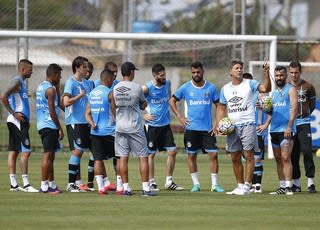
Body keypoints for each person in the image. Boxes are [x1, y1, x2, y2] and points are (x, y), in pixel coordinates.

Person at [216, 59, 271, 195]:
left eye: (241, 68)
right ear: (230, 72)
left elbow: (266, 88)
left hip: (248, 124)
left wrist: (266, 73)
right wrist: (219, 124)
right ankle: (240, 185)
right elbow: (221, 108)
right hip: (232, 127)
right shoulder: (225, 89)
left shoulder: (250, 83)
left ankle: (247, 186)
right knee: (234, 157)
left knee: (248, 155)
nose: (239, 70)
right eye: (236, 68)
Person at [170, 61, 224, 193]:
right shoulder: (185, 88)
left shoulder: (210, 88)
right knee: (191, 156)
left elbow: (219, 106)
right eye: (193, 72)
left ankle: (215, 185)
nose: (196, 74)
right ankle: (196, 184)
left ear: (203, 71)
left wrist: (217, 123)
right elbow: (172, 100)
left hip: (207, 129)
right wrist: (180, 117)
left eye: (198, 72)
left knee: (213, 155)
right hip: (191, 129)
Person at [112, 61, 157, 196]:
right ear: (131, 72)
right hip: (134, 127)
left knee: (122, 158)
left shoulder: (115, 88)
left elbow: (114, 105)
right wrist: (144, 104)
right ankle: (146, 189)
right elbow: (143, 105)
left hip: (120, 127)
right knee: (143, 157)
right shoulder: (137, 87)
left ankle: (126, 188)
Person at [142, 63, 184, 191]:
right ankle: (151, 182)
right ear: (155, 76)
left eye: (165, 74)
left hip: (165, 124)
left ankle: (169, 182)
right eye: (161, 75)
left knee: (172, 151)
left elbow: (168, 98)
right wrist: (143, 115)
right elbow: (136, 101)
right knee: (151, 154)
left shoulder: (168, 83)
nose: (164, 77)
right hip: (152, 126)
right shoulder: (147, 88)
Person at [0, 59, 39, 192]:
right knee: (26, 152)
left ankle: (14, 185)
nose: (32, 72)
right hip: (17, 120)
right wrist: (14, 113)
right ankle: (27, 185)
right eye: (30, 69)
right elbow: (3, 96)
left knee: (14, 151)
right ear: (23, 70)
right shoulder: (17, 81)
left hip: (16, 121)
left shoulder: (21, 83)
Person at [85, 69, 121, 195]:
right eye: (112, 80)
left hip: (95, 132)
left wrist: (92, 123)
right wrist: (120, 123)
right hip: (110, 131)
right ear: (108, 79)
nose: (113, 82)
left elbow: (87, 113)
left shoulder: (92, 93)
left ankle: (101, 187)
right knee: (120, 158)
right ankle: (120, 187)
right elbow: (114, 111)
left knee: (98, 159)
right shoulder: (110, 93)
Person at [63, 56, 92, 192]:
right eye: (85, 66)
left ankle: (83, 183)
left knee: (93, 151)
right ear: (77, 68)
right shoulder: (71, 82)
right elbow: (66, 102)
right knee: (77, 151)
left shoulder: (86, 83)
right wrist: (79, 96)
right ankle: (70, 184)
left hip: (86, 122)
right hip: (75, 122)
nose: (87, 69)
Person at [268, 65, 298, 195]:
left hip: (286, 130)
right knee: (278, 159)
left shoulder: (291, 89)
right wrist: (265, 121)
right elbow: (271, 112)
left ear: (286, 76)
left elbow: (294, 109)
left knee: (286, 157)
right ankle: (282, 186)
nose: (279, 78)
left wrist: (289, 126)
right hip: (274, 130)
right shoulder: (273, 93)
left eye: (281, 75)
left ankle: (289, 186)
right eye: (277, 76)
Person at [288, 60, 317, 193]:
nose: (294, 75)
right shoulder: (285, 88)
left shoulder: (308, 87)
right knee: (293, 154)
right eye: (292, 72)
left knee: (307, 152)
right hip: (290, 125)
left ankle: (311, 182)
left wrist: (304, 115)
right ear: (289, 72)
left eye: (296, 72)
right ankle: (297, 183)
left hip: (304, 123)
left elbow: (312, 106)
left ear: (300, 72)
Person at [36, 63, 64, 194]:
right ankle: (44, 186)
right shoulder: (50, 90)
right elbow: (52, 111)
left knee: (51, 155)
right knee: (47, 156)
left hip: (42, 124)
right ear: (53, 75)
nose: (60, 78)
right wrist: (60, 128)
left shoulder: (42, 86)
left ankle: (51, 184)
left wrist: (57, 87)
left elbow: (57, 103)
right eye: (59, 75)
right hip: (49, 125)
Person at [243, 73, 271, 193]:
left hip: (257, 132)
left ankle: (257, 185)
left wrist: (265, 124)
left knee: (257, 159)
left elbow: (271, 110)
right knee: (247, 159)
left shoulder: (260, 96)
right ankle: (249, 184)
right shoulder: (239, 97)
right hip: (243, 131)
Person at [83, 61, 95, 191]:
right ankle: (76, 182)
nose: (88, 73)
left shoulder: (92, 84)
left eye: (90, 72)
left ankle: (90, 183)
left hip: (90, 123)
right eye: (86, 70)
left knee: (94, 153)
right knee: (78, 152)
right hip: (78, 123)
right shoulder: (74, 83)